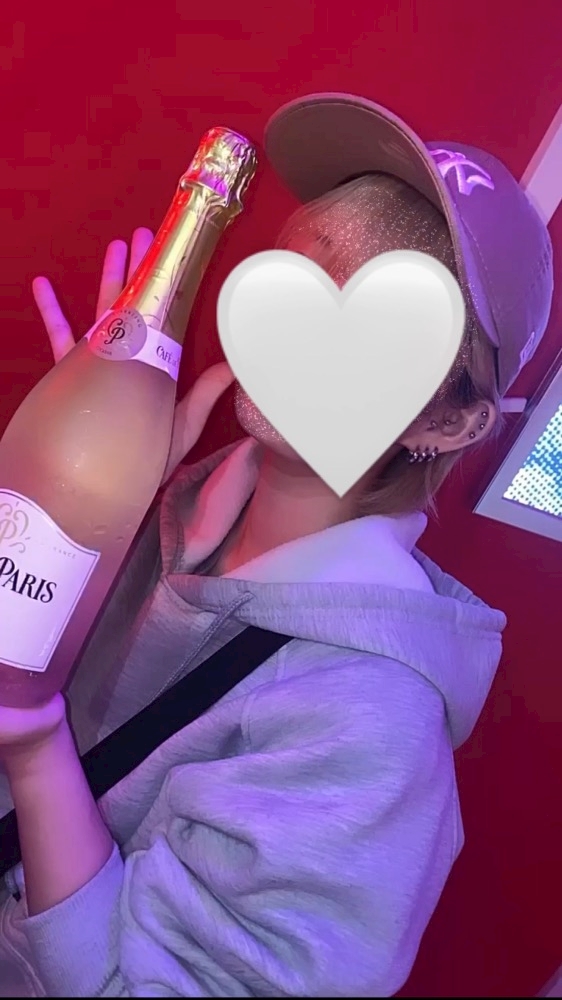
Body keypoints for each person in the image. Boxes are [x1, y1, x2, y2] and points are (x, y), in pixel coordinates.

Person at [0, 93, 553, 998]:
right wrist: (75, 508)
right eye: (301, 271)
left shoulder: (372, 724)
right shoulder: (166, 493)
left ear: (448, 422)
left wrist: (35, 749)